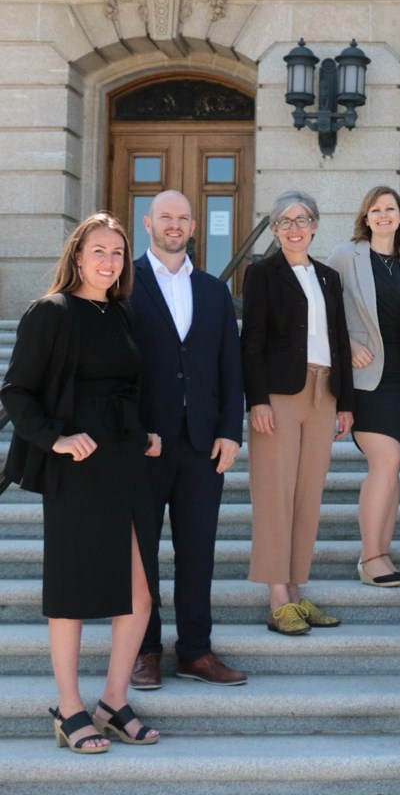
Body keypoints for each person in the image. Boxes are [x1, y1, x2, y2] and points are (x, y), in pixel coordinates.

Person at [1, 213, 161, 752]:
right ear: (76, 256)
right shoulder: (51, 312)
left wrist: (144, 434)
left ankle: (113, 701)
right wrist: (56, 439)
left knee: (138, 593)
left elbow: (124, 387)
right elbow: (17, 391)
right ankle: (69, 708)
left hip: (124, 462)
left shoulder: (119, 313)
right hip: (76, 467)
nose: (110, 261)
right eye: (99, 251)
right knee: (69, 591)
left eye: (117, 252)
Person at [129, 190, 247, 690]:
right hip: (143, 444)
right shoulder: (124, 282)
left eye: (182, 218)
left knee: (198, 550)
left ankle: (195, 651)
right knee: (142, 552)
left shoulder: (214, 290)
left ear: (194, 225)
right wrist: (131, 432)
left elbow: (230, 366)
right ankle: (145, 649)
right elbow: (115, 368)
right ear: (147, 223)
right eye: (165, 217)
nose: (174, 225)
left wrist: (230, 432)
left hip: (203, 443)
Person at [242, 191, 355, 635]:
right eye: (284, 221)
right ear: (274, 229)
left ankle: (295, 591)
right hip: (280, 395)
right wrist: (257, 399)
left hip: (323, 392)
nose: (294, 228)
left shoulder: (328, 277)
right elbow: (250, 340)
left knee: (308, 495)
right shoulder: (262, 274)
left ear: (314, 225)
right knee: (274, 494)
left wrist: (345, 401)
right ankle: (276, 598)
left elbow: (340, 339)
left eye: (302, 219)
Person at [326, 186, 400, 587]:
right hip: (365, 379)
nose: (384, 215)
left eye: (390, 209)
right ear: (366, 217)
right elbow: (322, 309)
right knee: (385, 462)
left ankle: (381, 554)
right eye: (376, 209)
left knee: (392, 470)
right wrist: (349, 344)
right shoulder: (345, 256)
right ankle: (370, 556)